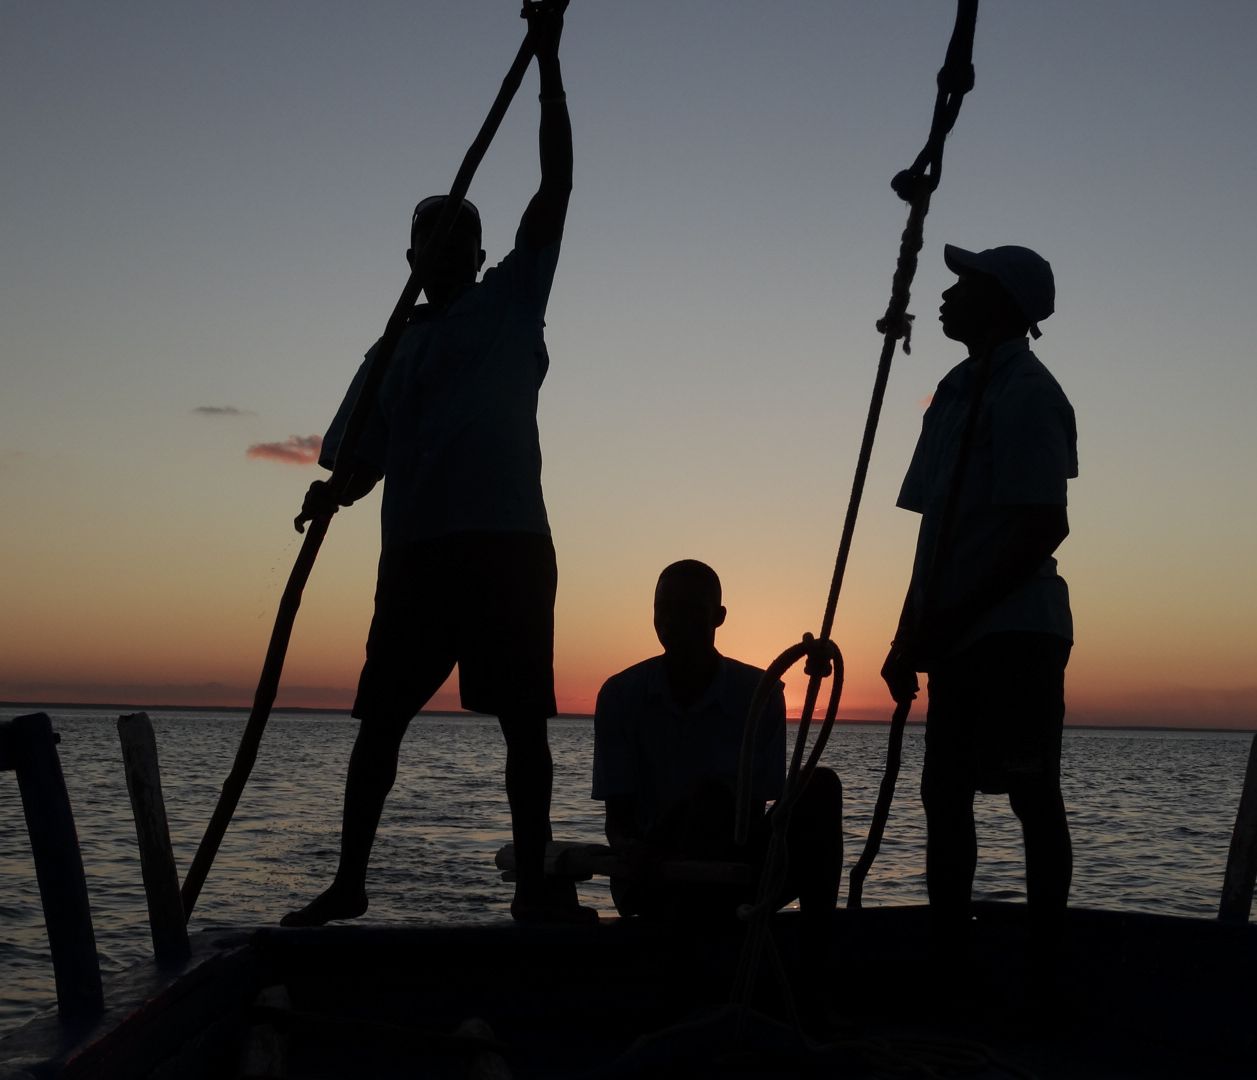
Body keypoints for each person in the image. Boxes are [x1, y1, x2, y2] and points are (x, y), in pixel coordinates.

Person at [283, 6, 586, 927]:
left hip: (504, 545)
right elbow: (364, 458)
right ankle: (349, 882)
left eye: (461, 241)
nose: (447, 254)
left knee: (521, 724)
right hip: (414, 552)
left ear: (481, 254)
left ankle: (534, 883)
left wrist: (549, 62)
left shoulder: (512, 302)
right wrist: (334, 488)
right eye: (432, 244)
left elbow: (557, 182)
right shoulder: (390, 349)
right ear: (411, 258)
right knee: (380, 721)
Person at [880, 244, 1077, 966]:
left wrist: (948, 623)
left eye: (964, 283)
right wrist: (909, 638)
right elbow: (937, 533)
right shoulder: (955, 390)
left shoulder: (1027, 393)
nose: (946, 293)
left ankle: (1044, 964)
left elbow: (1041, 524)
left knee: (1029, 793)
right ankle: (947, 959)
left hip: (1016, 631)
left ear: (1001, 302)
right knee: (944, 794)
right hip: (961, 630)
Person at [592, 560, 843, 930]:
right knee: (711, 800)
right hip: (652, 874)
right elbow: (619, 822)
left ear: (719, 616)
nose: (676, 621)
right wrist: (635, 851)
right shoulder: (620, 695)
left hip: (731, 865)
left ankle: (817, 948)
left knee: (820, 786)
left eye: (691, 609)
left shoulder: (762, 694)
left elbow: (753, 816)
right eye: (666, 609)